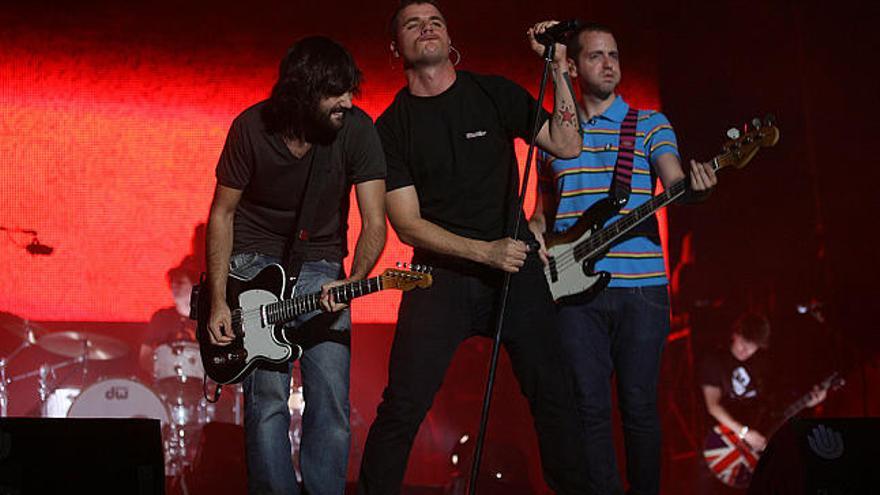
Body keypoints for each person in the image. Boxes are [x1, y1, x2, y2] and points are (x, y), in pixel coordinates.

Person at [357, 2, 587, 493]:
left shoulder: (493, 92)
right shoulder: (391, 127)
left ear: (449, 36)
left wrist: (557, 67)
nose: (428, 28)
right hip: (441, 277)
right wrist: (485, 253)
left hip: (515, 271)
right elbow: (408, 225)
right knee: (401, 406)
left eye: (436, 20)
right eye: (413, 24)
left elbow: (567, 144)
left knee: (554, 397)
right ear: (396, 47)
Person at [528, 22, 717, 495]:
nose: (609, 63)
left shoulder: (650, 124)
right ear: (571, 66)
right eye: (596, 55)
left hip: (642, 290)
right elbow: (542, 217)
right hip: (570, 292)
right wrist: (532, 241)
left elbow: (674, 183)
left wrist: (692, 190)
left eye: (614, 54)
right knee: (587, 408)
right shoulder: (553, 133)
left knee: (638, 406)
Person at [204, 36, 386, 495]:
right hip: (252, 265)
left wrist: (352, 280)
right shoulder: (250, 128)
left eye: (349, 89)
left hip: (323, 260)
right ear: (303, 93)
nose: (347, 100)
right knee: (267, 398)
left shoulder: (356, 130)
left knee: (331, 396)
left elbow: (375, 223)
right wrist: (220, 302)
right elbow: (222, 214)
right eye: (335, 92)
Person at [698, 312, 826, 493]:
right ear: (734, 335)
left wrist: (809, 402)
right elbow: (713, 406)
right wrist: (744, 432)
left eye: (752, 347)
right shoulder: (715, 360)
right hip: (723, 442)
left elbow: (775, 404)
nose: (745, 350)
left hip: (757, 440)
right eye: (742, 343)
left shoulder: (762, 364)